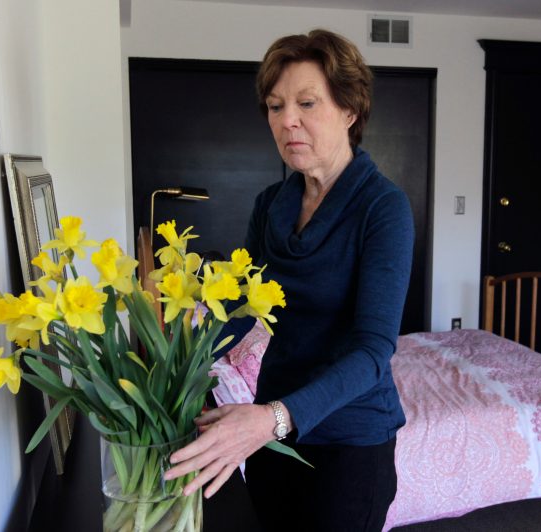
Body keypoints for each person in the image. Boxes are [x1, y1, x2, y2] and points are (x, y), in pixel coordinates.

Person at [164, 29, 414, 532]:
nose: (287, 121)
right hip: (274, 430)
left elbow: (372, 351)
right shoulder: (271, 204)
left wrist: (272, 418)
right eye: (276, 107)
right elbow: (241, 311)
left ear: (350, 110)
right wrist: (179, 360)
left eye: (306, 103)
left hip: (348, 439)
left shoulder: (383, 208)